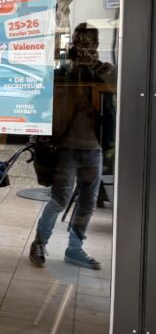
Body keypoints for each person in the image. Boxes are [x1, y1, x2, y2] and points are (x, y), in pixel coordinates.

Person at [30, 22, 116, 270]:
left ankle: (75, 248)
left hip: (94, 148)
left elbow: (115, 88)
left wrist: (95, 66)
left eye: (90, 43)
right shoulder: (64, 71)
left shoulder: (104, 70)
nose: (85, 48)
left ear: (97, 45)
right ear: (73, 45)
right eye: (80, 43)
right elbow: (41, 98)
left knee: (88, 203)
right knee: (59, 198)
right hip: (66, 148)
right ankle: (39, 243)